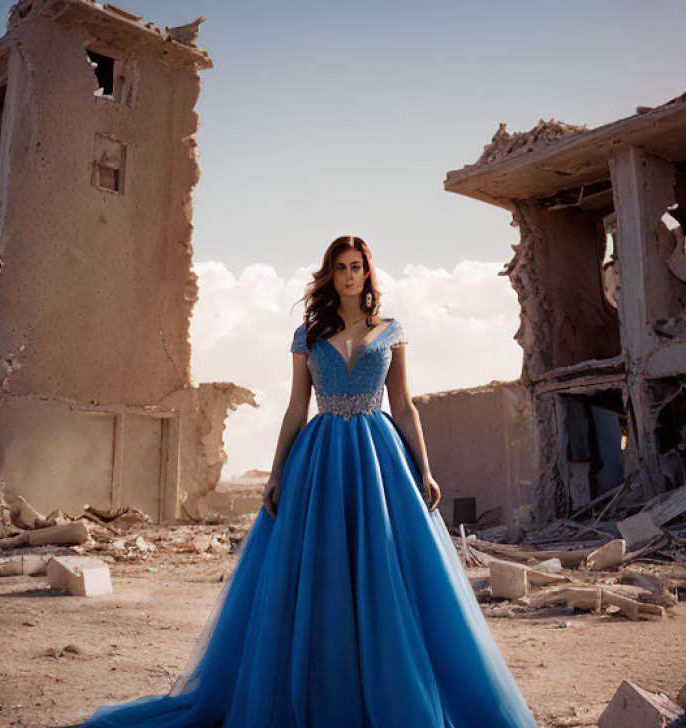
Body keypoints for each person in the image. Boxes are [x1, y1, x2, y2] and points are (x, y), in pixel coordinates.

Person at [78, 236, 538, 727]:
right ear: (331, 274)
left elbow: (403, 405)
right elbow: (297, 406)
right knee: (321, 578)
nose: (348, 275)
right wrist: (276, 473)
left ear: (367, 273)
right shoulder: (309, 335)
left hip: (378, 462)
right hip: (319, 463)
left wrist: (423, 468)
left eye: (356, 267)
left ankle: (396, 692)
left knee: (387, 573)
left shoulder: (391, 330)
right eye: (340, 267)